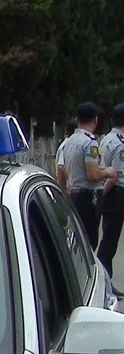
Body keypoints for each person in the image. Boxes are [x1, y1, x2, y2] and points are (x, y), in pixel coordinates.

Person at [62, 102, 117, 249]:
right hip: (88, 198)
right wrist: (108, 172)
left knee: (77, 240)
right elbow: (92, 174)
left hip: (74, 193)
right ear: (95, 120)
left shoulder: (69, 141)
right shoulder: (89, 143)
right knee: (89, 243)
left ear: (77, 119)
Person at [98, 104, 124, 284]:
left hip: (110, 193)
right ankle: (104, 280)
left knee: (109, 237)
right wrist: (104, 195)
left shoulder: (106, 139)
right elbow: (115, 175)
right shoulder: (119, 144)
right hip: (116, 193)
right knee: (110, 240)